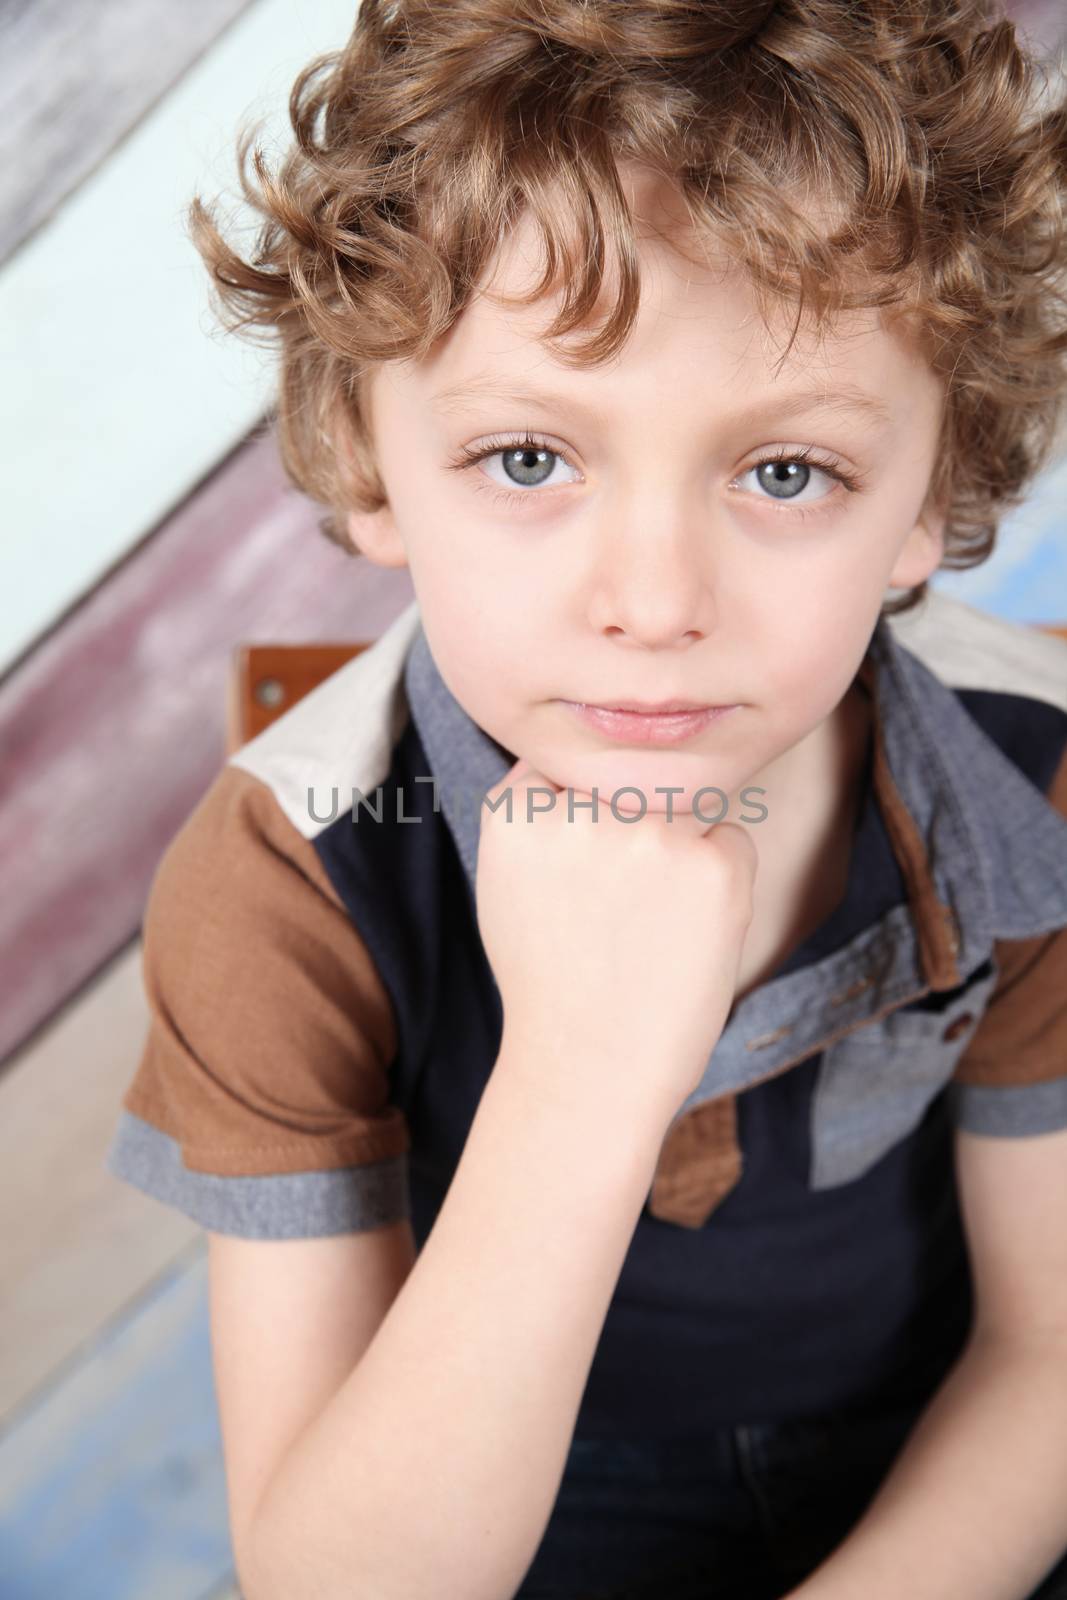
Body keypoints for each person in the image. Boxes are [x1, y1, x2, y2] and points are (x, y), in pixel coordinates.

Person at [105, 1, 1067, 1596]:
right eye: (532, 460)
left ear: (932, 496)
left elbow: (1047, 1359)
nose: (652, 599)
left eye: (784, 474)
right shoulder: (291, 878)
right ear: (365, 459)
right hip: (492, 1485)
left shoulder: (1026, 775)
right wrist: (580, 1073)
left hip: (943, 1442)